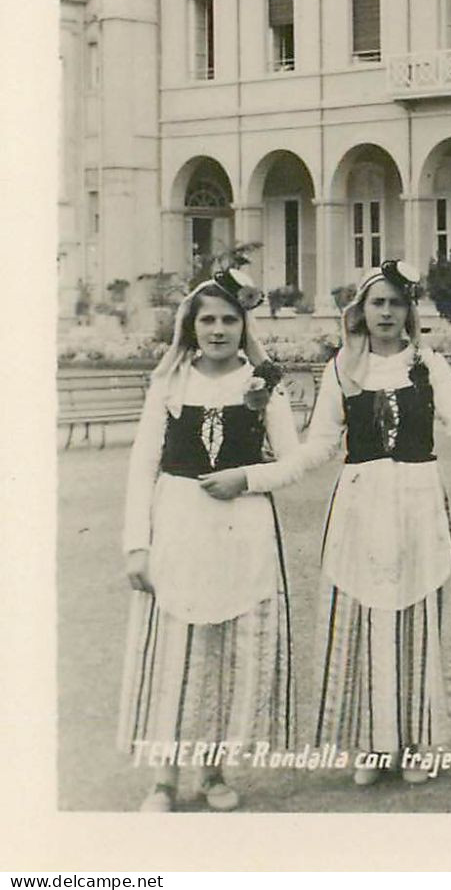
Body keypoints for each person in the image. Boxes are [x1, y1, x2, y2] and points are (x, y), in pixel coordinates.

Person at [232, 261, 451, 786]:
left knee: (416, 616)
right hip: (362, 504)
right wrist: (256, 476)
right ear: (361, 311)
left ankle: (415, 742)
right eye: (378, 303)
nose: (387, 313)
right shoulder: (342, 370)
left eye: (396, 303)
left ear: (409, 311)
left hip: (418, 501)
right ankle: (373, 744)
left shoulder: (430, 365)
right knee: (365, 618)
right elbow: (320, 446)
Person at [120, 270, 295, 813]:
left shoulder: (263, 383)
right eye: (208, 319)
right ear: (190, 326)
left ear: (244, 325)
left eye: (228, 319)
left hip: (240, 530)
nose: (218, 330)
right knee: (176, 648)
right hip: (179, 525)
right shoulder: (169, 382)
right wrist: (136, 544)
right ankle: (163, 778)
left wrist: (246, 478)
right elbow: (143, 463)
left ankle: (213, 770)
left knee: (222, 651)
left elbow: (291, 463)